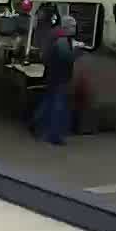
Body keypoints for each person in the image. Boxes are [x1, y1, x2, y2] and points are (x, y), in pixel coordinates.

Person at [41, 15, 78, 144]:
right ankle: (54, 136)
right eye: (73, 26)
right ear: (66, 26)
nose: (75, 29)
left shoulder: (55, 34)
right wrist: (77, 52)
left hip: (51, 74)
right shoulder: (62, 40)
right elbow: (67, 57)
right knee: (58, 105)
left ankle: (38, 127)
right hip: (60, 76)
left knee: (48, 102)